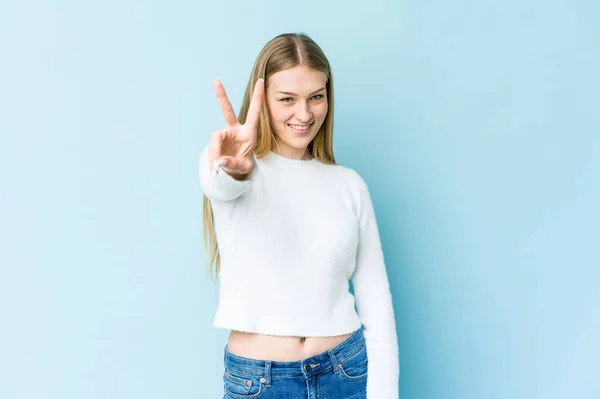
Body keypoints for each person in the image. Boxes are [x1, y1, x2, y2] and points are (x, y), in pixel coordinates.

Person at [198, 32, 399, 399]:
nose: (304, 114)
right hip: (259, 382)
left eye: (316, 98)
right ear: (263, 99)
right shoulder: (234, 168)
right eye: (287, 99)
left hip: (346, 373)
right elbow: (221, 185)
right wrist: (236, 168)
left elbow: (376, 300)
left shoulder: (349, 185)